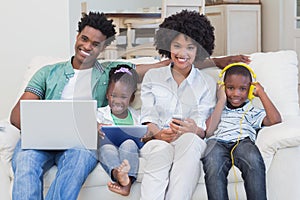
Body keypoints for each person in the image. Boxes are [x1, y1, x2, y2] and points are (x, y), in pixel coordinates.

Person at [9, 10, 250, 199]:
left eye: (95, 44)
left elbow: (169, 64)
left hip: (81, 141)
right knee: (26, 161)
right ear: (77, 37)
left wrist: (219, 61)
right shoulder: (47, 73)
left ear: (103, 48)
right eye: (84, 39)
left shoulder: (110, 73)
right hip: (42, 137)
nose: (87, 47)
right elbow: (17, 117)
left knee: (77, 165)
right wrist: (60, 123)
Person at [139, 10, 217, 200]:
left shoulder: (207, 83)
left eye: (190, 47)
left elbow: (202, 128)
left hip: (188, 140)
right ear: (168, 46)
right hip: (158, 140)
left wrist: (194, 130)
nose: (182, 53)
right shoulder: (152, 77)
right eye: (177, 46)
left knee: (190, 142)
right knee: (160, 150)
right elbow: (147, 116)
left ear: (199, 49)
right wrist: (158, 134)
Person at [203, 63, 282, 200]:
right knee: (212, 162)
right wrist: (221, 100)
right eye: (230, 88)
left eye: (243, 89)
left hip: (242, 142)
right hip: (217, 142)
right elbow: (209, 131)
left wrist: (261, 93)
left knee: (253, 159)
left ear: (250, 90)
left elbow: (275, 120)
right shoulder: (216, 108)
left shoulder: (251, 111)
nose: (236, 94)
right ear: (223, 87)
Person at [97, 64, 140, 196]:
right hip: (108, 146)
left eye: (123, 97)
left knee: (129, 144)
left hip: (128, 148)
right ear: (107, 95)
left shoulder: (137, 116)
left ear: (131, 98)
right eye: (113, 96)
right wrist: (96, 127)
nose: (117, 101)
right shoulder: (99, 114)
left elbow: (144, 133)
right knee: (106, 149)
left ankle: (127, 181)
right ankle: (118, 174)